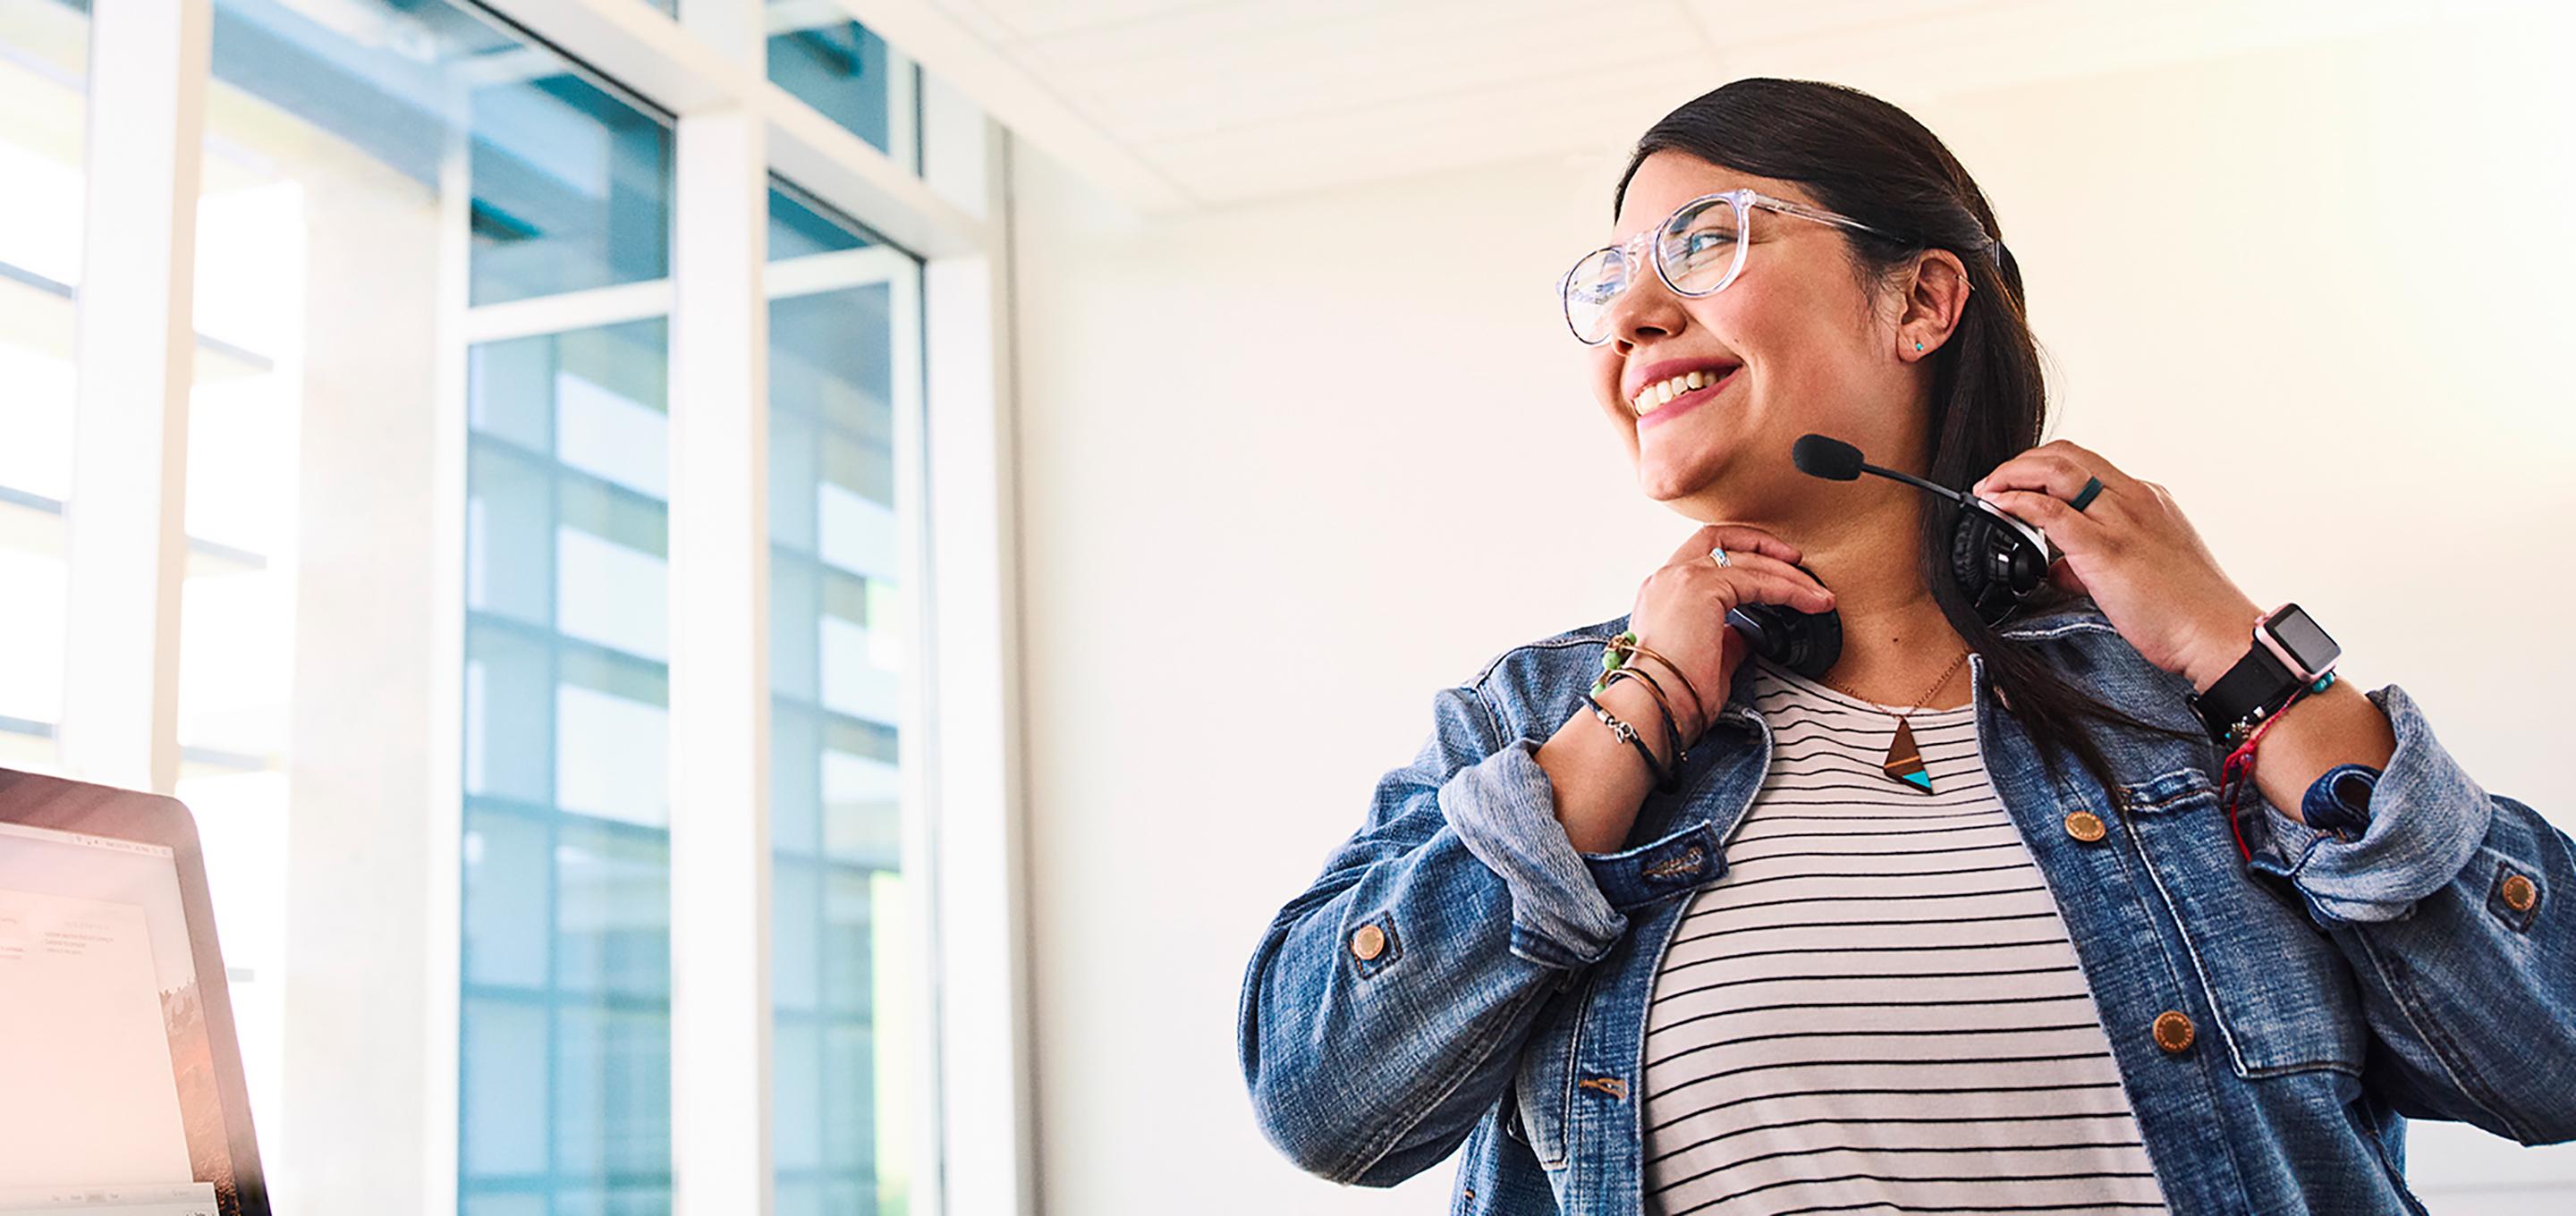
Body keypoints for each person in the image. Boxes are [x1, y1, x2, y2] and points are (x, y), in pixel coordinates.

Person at [1235, 77, 2576, 1215]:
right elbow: (1326, 1103)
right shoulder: (1532, 720)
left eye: (1704, 244)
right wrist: (1627, 723)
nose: (1636, 316)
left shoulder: (2191, 700)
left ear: (1922, 301)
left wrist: (2243, 658)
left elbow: (2549, 1057)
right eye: (1614, 279)